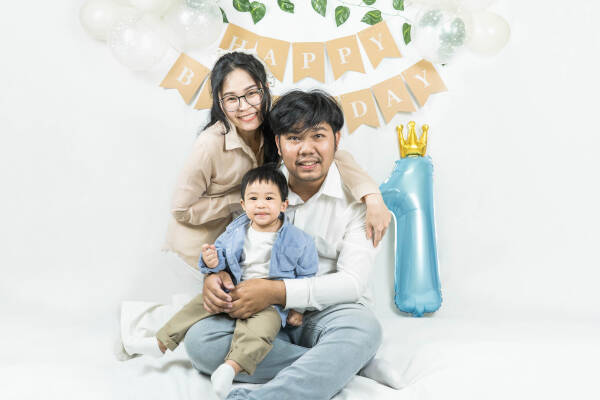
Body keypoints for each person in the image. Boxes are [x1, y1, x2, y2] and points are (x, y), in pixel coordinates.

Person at [184, 90, 404, 400]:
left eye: (318, 136)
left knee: (364, 330)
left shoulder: (362, 205)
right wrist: (215, 276)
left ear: (337, 140)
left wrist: (278, 291)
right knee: (201, 342)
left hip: (329, 311)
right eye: (294, 138)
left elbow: (353, 284)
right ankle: (348, 363)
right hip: (262, 312)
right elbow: (231, 248)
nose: (307, 150)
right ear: (278, 143)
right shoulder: (260, 187)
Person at [162, 51, 391, 273]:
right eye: (232, 99)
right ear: (220, 104)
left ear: (265, 89)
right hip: (199, 253)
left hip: (245, 250)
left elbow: (331, 153)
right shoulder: (210, 144)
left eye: (251, 93)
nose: (244, 107)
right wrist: (241, 200)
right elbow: (180, 209)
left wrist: (372, 196)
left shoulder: (273, 124)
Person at [155, 165, 319, 399]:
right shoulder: (235, 230)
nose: (260, 204)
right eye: (253, 198)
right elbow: (220, 257)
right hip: (234, 291)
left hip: (270, 303)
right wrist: (211, 262)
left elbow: (306, 276)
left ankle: (230, 368)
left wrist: (297, 308)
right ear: (243, 205)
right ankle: (160, 342)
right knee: (197, 305)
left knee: (261, 330)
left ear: (284, 204)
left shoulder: (298, 240)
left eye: (269, 198)